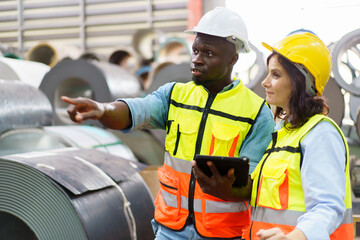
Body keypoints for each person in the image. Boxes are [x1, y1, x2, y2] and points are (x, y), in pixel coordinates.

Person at [61, 7, 274, 240]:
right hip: (171, 229)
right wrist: (103, 109)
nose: (196, 60)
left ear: (233, 58)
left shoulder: (256, 113)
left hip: (223, 234)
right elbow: (137, 111)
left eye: (208, 53)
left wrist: (230, 191)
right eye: (195, 50)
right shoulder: (174, 95)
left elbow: (255, 183)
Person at [242, 32, 353, 240]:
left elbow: (328, 206)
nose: (265, 82)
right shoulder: (282, 134)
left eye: (275, 75)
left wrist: (296, 236)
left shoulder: (320, 134)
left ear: (300, 81)